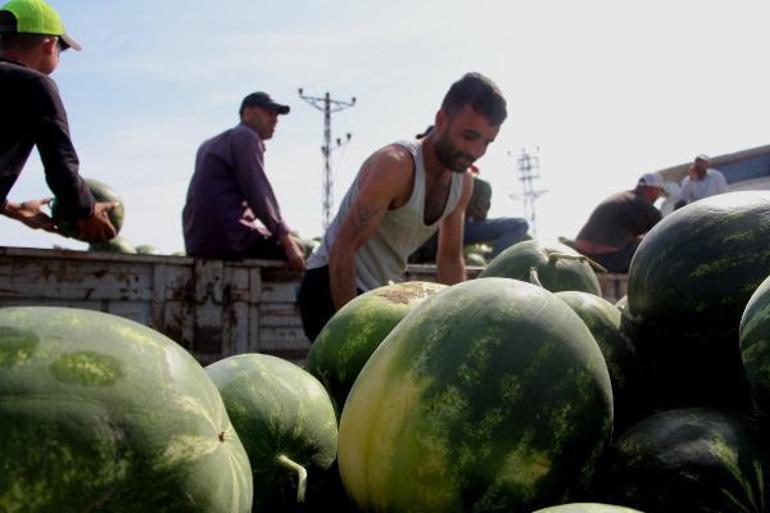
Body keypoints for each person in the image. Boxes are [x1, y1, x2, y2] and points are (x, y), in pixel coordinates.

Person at [298, 72, 507, 341]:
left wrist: (457, 324)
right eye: (469, 136)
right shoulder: (396, 165)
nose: (477, 151)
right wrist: (348, 330)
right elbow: (344, 246)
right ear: (441, 120)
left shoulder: (463, 182)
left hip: (379, 293)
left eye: (487, 142)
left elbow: (450, 258)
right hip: (329, 284)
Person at [0, 0, 117, 241]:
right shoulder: (34, 85)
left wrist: (11, 208)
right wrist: (85, 209)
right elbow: (61, 166)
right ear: (50, 44)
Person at [182, 91, 305, 269]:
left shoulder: (208, 144)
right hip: (230, 240)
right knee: (298, 248)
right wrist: (286, 239)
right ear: (247, 113)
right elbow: (259, 193)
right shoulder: (246, 137)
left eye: (277, 115)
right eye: (268, 113)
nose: (275, 119)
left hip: (197, 243)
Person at [410, 163, 529, 263]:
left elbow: (481, 215)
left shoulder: (481, 186)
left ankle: (494, 266)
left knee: (519, 224)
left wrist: (468, 204)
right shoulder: (427, 177)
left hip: (465, 228)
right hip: (433, 232)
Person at [572, 173, 664, 273]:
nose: (659, 196)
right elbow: (665, 234)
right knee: (652, 247)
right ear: (652, 189)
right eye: (659, 192)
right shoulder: (646, 207)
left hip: (580, 255)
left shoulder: (620, 197)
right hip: (606, 260)